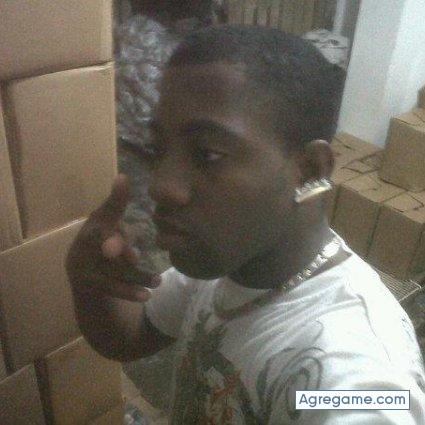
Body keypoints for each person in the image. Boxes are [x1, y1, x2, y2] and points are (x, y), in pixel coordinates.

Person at [66, 25, 425, 423]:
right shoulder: (228, 266)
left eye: (207, 154)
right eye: (159, 148)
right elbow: (129, 337)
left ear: (309, 171)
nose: (160, 185)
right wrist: (87, 282)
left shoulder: (347, 371)